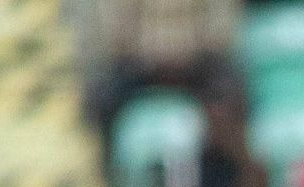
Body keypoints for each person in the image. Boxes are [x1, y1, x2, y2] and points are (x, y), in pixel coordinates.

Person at [84, 0, 237, 156]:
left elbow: (220, 28)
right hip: (141, 68)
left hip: (196, 66)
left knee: (228, 101)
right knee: (101, 100)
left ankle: (226, 171)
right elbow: (116, 33)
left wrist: (187, 54)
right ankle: (106, 172)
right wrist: (152, 56)